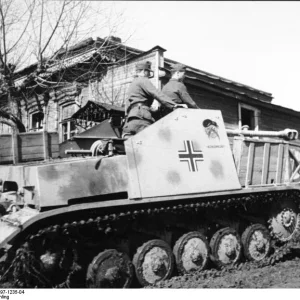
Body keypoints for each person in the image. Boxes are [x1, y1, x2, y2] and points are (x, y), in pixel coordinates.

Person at [122, 61, 177, 138]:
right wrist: (174, 105)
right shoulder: (143, 80)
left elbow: (128, 105)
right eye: (148, 72)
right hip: (142, 119)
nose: (148, 74)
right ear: (144, 71)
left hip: (131, 121)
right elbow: (156, 93)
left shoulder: (133, 83)